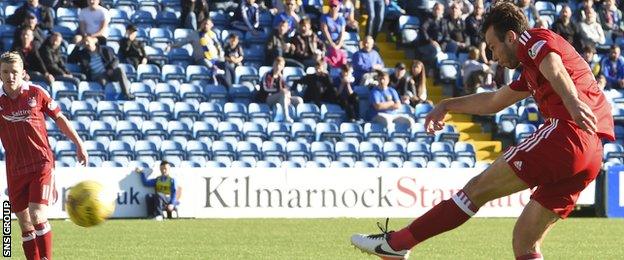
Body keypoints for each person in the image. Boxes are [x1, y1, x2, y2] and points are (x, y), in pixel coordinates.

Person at [351, 2, 614, 259]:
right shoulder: (532, 68)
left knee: (476, 190)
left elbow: (554, 66)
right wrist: (446, 105)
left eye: (493, 46)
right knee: (525, 241)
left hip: (568, 134)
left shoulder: (532, 39)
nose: (493, 56)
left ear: (510, 37)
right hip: (592, 154)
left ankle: (397, 243)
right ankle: (397, 245)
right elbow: (494, 101)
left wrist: (572, 101)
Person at [0, 51, 87, 260]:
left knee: (37, 214)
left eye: (14, 72)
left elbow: (60, 118)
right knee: (24, 222)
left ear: (23, 73)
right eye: (5, 72)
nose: (10, 76)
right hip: (15, 167)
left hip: (41, 163)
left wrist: (78, 143)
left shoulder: (36, 93)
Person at [68, 36, 134, 100]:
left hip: (109, 71)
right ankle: (108, 100)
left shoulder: (105, 50)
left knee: (119, 70)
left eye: (87, 41)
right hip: (97, 75)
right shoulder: (82, 54)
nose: (86, 43)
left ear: (94, 41)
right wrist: (77, 46)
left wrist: (111, 68)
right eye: (84, 42)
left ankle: (126, 94)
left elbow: (116, 60)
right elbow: (70, 60)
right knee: (103, 81)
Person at [256, 57, 302, 123]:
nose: (277, 67)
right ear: (273, 65)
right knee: (282, 94)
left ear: (283, 67)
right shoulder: (267, 75)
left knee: (298, 100)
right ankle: (286, 118)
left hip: (280, 97)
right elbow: (266, 88)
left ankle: (297, 120)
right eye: (276, 64)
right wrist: (280, 91)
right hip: (267, 98)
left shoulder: (281, 77)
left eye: (280, 65)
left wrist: (287, 93)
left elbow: (285, 88)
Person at [320, 0, 347, 68]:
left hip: (338, 42)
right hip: (326, 41)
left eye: (335, 6)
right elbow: (325, 31)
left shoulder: (341, 19)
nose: (333, 8)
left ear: (338, 7)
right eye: (331, 6)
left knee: (346, 53)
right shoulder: (324, 17)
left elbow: (342, 33)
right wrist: (332, 44)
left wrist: (339, 44)